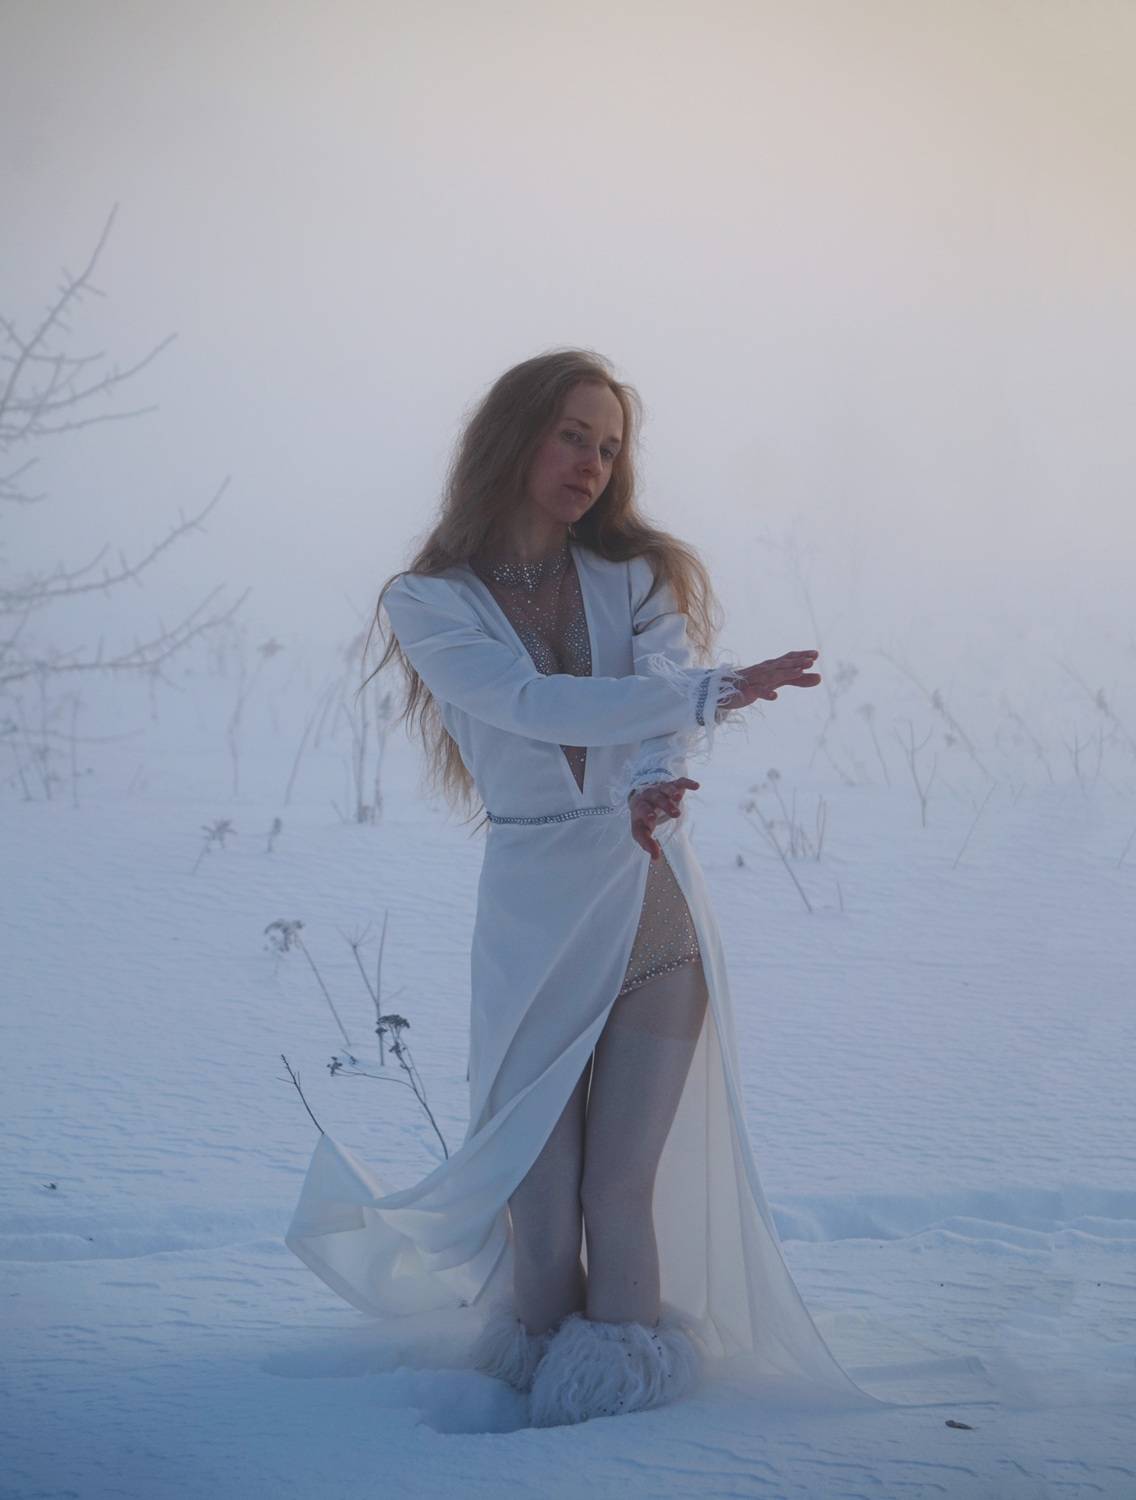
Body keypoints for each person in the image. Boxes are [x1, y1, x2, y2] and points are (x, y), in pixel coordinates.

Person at [285, 349, 883, 1427]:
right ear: (513, 437)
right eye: (573, 436)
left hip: (647, 896)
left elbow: (655, 701)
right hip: (531, 915)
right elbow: (525, 700)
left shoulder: (635, 576)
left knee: (617, 1188)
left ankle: (611, 1428)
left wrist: (654, 781)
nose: (592, 465)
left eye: (608, 448)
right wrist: (707, 694)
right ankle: (535, 1408)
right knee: (542, 1198)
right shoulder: (428, 601)